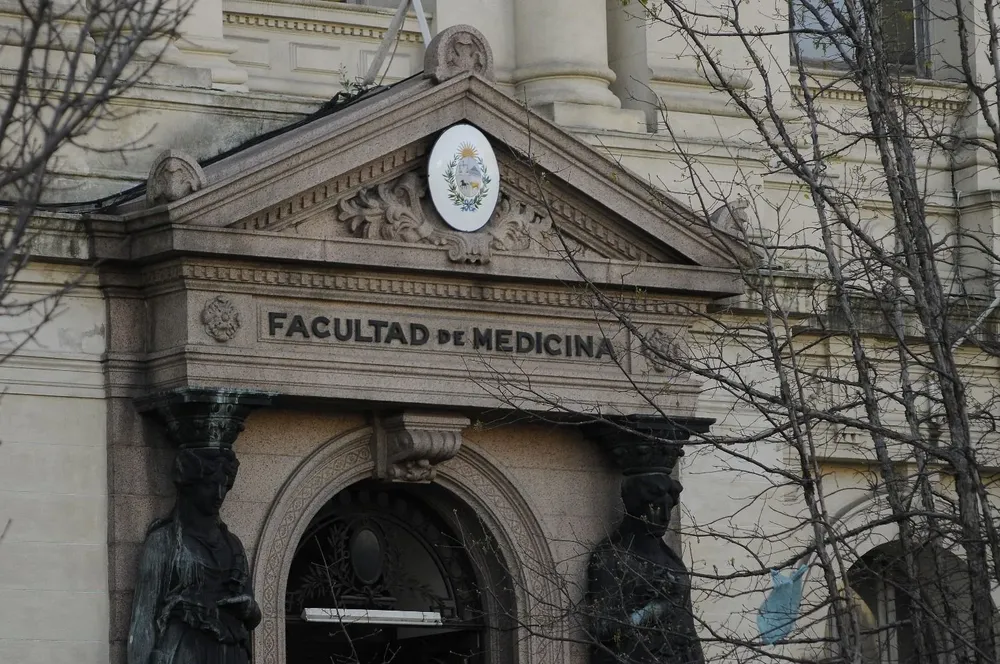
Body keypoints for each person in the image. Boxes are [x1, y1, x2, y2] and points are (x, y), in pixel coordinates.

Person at [127, 447, 261, 664]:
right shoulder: (163, 542)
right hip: (183, 652)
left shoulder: (233, 544)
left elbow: (253, 615)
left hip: (231, 653)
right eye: (210, 485)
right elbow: (142, 621)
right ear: (190, 486)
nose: (219, 495)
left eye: (224, 486)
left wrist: (249, 608)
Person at [587, 472, 705, 664]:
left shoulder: (673, 563)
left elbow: (688, 631)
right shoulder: (612, 558)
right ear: (637, 509)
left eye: (669, 508)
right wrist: (651, 611)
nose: (666, 517)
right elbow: (601, 627)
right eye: (657, 508)